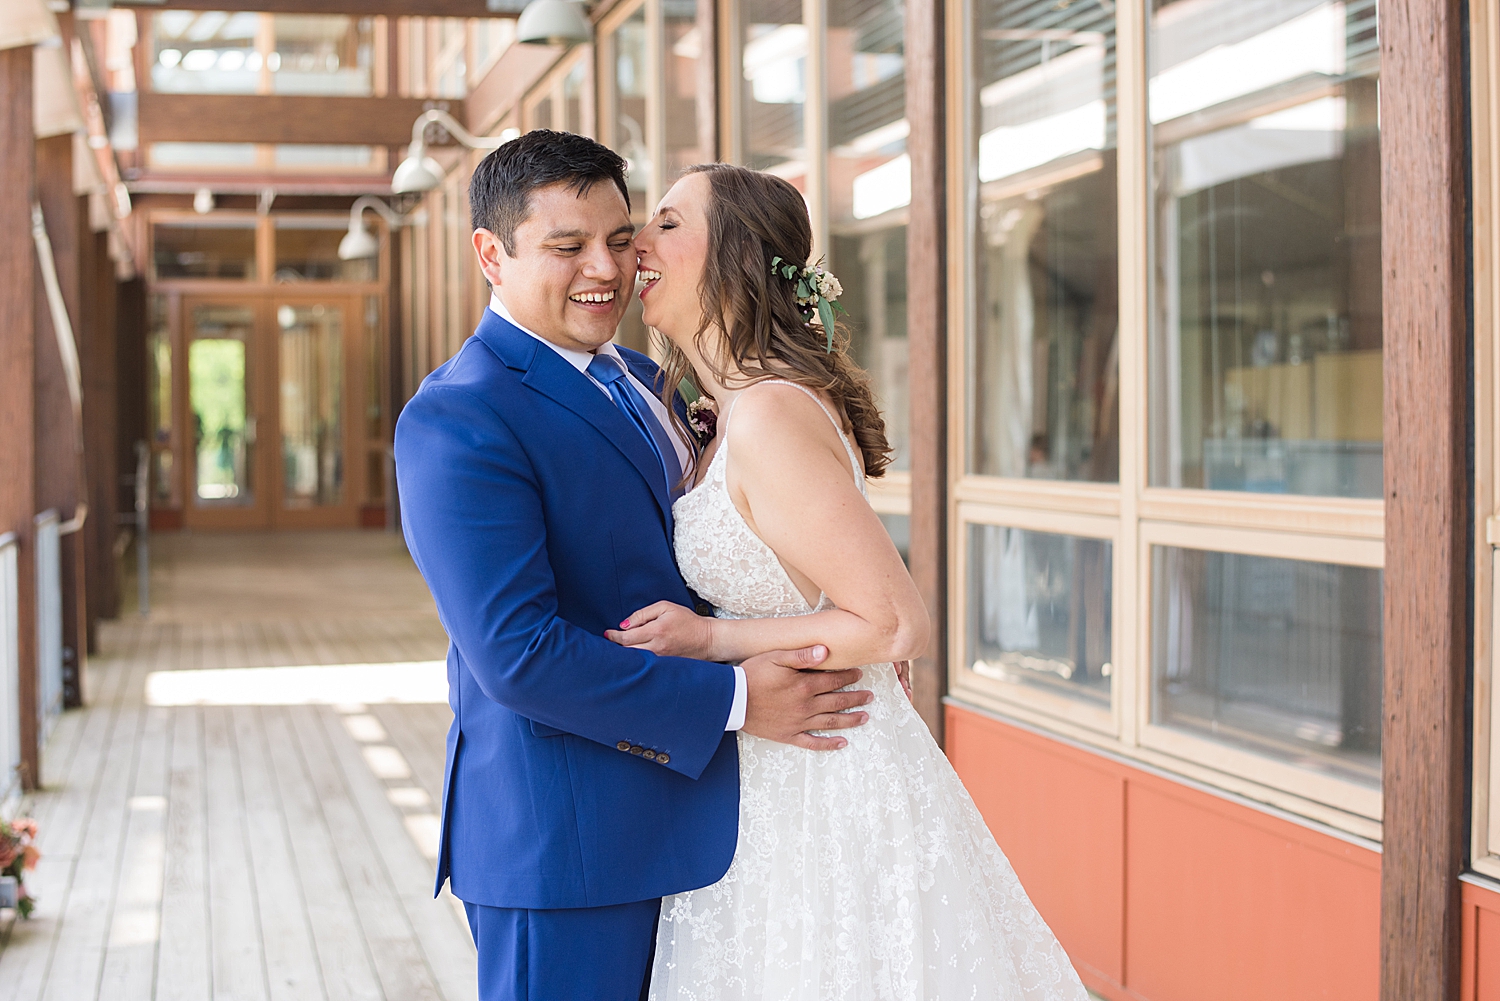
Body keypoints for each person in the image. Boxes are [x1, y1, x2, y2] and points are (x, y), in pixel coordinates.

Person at [394, 132, 879, 1001]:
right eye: (566, 245)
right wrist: (736, 699)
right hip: (568, 844)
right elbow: (519, 654)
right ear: (490, 255)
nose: (605, 268)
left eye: (620, 239)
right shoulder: (458, 418)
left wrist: (844, 615)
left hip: (709, 823)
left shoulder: (650, 378)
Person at [611, 163, 1091, 999]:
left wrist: (713, 639)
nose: (638, 243)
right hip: (768, 766)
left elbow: (895, 622)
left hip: (827, 774)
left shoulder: (767, 414)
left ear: (738, 259)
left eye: (667, 223)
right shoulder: (726, 413)